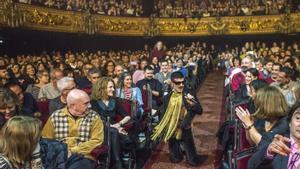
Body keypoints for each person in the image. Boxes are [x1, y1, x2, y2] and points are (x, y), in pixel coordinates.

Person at [151, 71, 203, 166]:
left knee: (192, 161)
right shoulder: (167, 97)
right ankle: (178, 151)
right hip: (172, 124)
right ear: (171, 83)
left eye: (182, 82)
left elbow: (200, 110)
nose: (181, 85)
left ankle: (190, 154)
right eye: (178, 83)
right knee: (175, 159)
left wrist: (192, 104)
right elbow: (163, 111)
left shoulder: (188, 93)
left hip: (184, 123)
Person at [42, 89, 104, 168]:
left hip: (84, 156)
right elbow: (46, 140)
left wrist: (73, 150)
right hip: (58, 157)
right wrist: (61, 152)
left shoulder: (94, 117)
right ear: (72, 105)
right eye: (86, 103)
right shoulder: (56, 116)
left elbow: (97, 141)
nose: (90, 106)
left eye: (89, 102)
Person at [91, 77, 133, 169]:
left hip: (114, 127)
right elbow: (97, 119)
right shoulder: (93, 102)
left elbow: (127, 116)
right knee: (114, 131)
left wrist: (118, 125)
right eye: (110, 87)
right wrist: (115, 128)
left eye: (113, 87)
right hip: (99, 129)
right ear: (102, 88)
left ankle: (115, 162)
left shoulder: (114, 101)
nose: (113, 89)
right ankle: (118, 162)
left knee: (114, 131)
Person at [0, 116, 69, 169]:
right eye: (36, 138)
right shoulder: (3, 163)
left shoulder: (36, 150)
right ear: (23, 142)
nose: (40, 139)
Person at [247, 102, 300, 169]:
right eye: (298, 118)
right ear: (289, 122)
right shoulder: (272, 139)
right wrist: (268, 153)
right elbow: (252, 166)